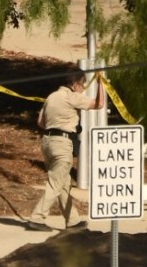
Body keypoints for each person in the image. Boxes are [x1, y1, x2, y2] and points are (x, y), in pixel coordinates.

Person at [26, 68, 104, 231]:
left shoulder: (51, 97)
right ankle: (37, 218)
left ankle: (73, 221)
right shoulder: (72, 96)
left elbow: (41, 122)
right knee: (56, 183)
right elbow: (99, 104)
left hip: (47, 142)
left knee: (63, 183)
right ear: (75, 84)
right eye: (82, 84)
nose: (83, 88)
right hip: (62, 143)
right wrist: (101, 84)